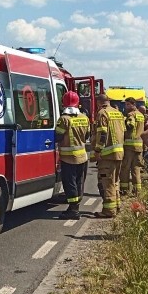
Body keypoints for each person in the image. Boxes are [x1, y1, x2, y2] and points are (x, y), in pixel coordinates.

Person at [55, 91, 90, 219]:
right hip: (83, 157)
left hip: (68, 158)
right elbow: (87, 136)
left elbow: (57, 136)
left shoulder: (64, 119)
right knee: (79, 182)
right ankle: (75, 207)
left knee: (70, 183)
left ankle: (73, 210)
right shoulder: (84, 118)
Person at [93, 92, 124, 218]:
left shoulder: (102, 113)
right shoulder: (118, 113)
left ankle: (109, 211)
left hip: (107, 155)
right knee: (115, 181)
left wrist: (98, 150)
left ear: (98, 102)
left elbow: (103, 134)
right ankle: (117, 206)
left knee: (107, 182)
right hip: (119, 153)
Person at [119, 97, 145, 196]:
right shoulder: (141, 115)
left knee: (125, 168)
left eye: (127, 105)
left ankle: (124, 190)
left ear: (133, 104)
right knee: (136, 168)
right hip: (139, 146)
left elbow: (130, 126)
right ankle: (137, 191)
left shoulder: (131, 115)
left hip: (130, 146)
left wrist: (124, 121)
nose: (126, 107)